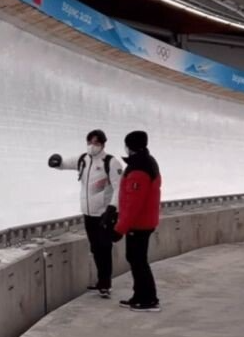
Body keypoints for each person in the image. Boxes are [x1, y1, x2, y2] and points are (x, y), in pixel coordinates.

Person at [48, 129, 123, 298]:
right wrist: (57, 161)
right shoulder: (84, 160)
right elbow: (65, 164)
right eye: (90, 142)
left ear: (103, 144)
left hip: (104, 214)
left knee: (104, 248)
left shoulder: (111, 162)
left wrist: (112, 208)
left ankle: (105, 283)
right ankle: (101, 281)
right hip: (89, 214)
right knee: (96, 248)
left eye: (96, 143)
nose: (92, 146)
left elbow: (120, 188)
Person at [113, 130, 162, 312]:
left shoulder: (139, 168)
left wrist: (120, 228)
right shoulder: (145, 162)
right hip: (143, 221)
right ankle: (140, 295)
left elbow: (134, 202)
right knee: (135, 258)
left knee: (138, 260)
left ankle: (148, 299)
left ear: (130, 146)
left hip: (139, 223)